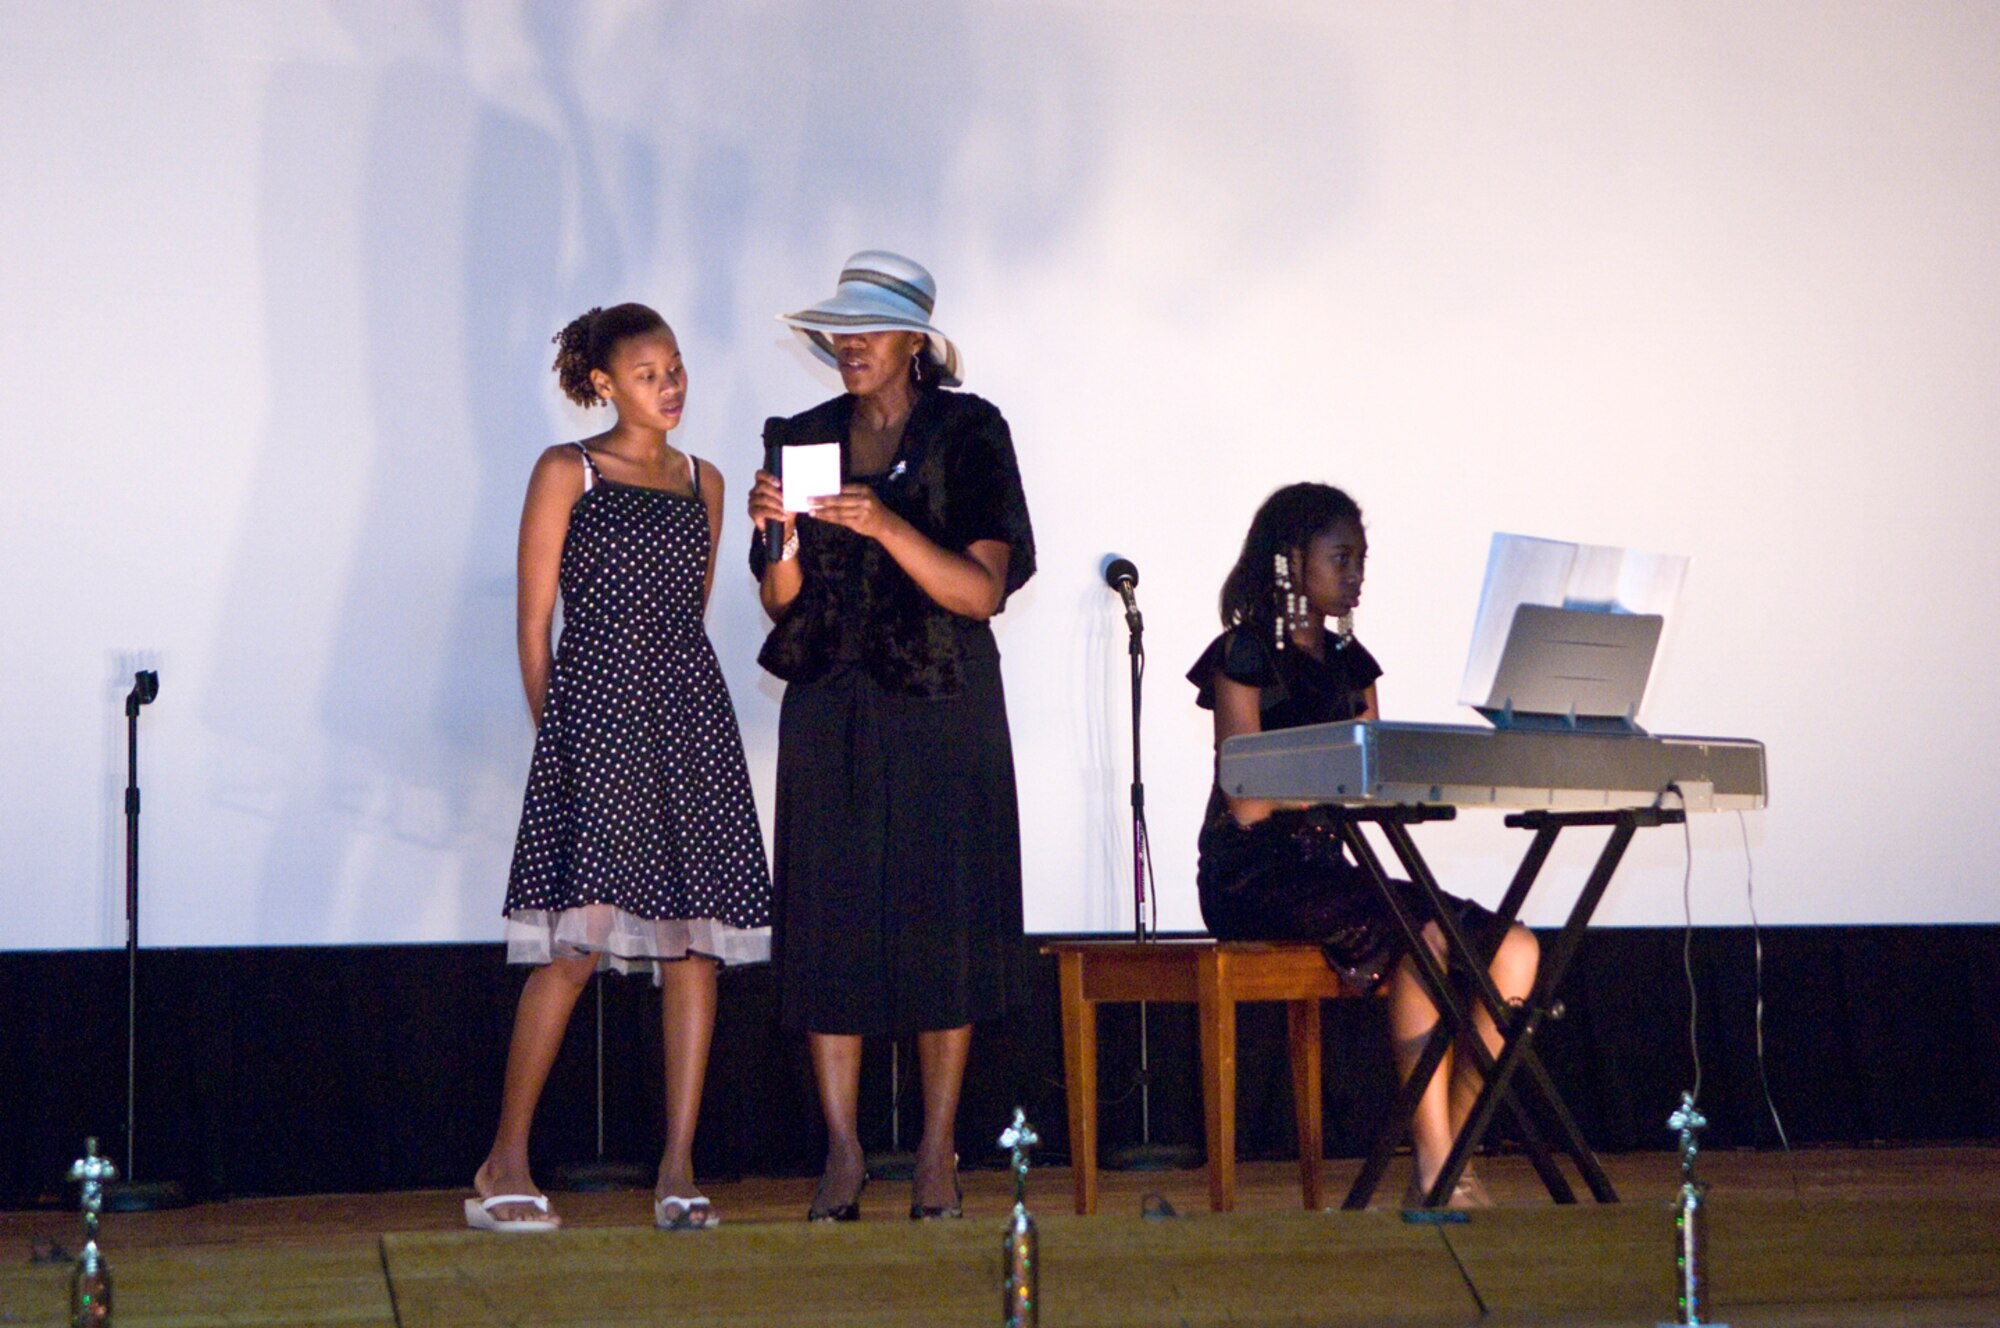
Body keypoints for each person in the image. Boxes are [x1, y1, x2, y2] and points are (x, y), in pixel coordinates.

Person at [468, 304, 772, 1233]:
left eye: (676, 368)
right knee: (577, 941)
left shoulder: (707, 480)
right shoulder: (570, 470)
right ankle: (501, 1163)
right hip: (596, 720)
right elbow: (533, 623)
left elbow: (692, 612)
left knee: (694, 948)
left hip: (688, 717)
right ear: (603, 382)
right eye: (649, 373)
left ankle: (679, 1167)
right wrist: (559, 736)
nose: (671, 386)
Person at [747, 251, 1035, 1222]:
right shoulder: (802, 435)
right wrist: (777, 536)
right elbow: (778, 601)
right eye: (838, 329)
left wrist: (885, 527)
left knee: (940, 924)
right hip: (830, 702)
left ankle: (935, 1153)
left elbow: (980, 589)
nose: (848, 344)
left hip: (941, 703)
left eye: (867, 328)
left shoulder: (968, 430)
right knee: (828, 924)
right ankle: (841, 1152)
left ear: (917, 339)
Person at [1187, 482, 1539, 1209]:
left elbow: (1371, 779)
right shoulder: (1242, 654)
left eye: (1361, 559)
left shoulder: (1353, 665)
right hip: (1254, 874)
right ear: (1290, 562)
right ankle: (1437, 1168)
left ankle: (1457, 1153)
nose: (1356, 574)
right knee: (1426, 941)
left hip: (1330, 866)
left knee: (1516, 950)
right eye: (1341, 557)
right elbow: (1248, 799)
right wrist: (1336, 782)